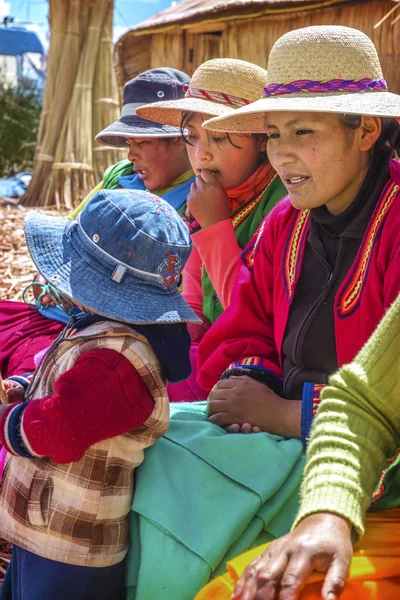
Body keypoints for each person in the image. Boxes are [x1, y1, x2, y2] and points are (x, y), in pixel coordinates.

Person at [198, 25, 400, 438]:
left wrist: (291, 416)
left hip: (363, 459)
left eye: (302, 131)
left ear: (365, 130)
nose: (281, 153)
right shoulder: (285, 223)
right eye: (273, 135)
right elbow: (247, 325)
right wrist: (252, 388)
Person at [0, 187, 200, 600]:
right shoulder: (98, 330)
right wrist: (22, 388)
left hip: (70, 549)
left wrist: (7, 420)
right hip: (42, 528)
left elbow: (61, 429)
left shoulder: (120, 360)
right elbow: (65, 384)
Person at [196, 293, 400, 600]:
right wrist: (327, 515)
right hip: (329, 448)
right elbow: (371, 404)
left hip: (356, 463)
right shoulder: (276, 242)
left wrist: (286, 414)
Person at [0, 67, 194, 381]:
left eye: (142, 143)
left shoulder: (189, 208)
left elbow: (159, 297)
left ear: (181, 139)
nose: (131, 154)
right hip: (52, 312)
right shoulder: (121, 176)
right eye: (129, 142)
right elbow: (68, 233)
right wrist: (52, 276)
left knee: (42, 376)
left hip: (94, 330)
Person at [136, 58, 287, 400]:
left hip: (259, 365)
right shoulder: (204, 199)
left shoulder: (283, 203)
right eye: (192, 137)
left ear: (261, 140)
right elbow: (194, 306)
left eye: (219, 138)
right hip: (210, 350)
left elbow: (252, 316)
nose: (201, 156)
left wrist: (216, 225)